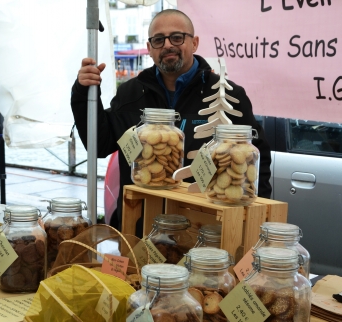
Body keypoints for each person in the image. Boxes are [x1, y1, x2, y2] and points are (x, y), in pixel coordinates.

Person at [71, 9, 272, 229]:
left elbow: (255, 163)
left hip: (206, 230)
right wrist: (83, 93)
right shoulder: (131, 93)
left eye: (177, 37)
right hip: (141, 226)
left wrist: (252, 219)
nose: (167, 45)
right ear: (149, 49)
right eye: (158, 40)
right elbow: (100, 144)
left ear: (194, 43)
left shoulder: (228, 96)